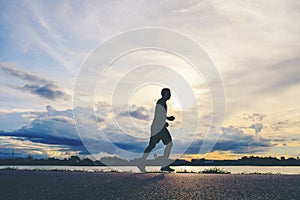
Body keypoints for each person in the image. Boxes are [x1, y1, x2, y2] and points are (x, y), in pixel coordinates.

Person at [138, 88, 175, 172]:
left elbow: (161, 115)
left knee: (152, 146)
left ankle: (141, 163)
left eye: (170, 93)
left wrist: (167, 119)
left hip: (157, 127)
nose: (170, 95)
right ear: (163, 94)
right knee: (169, 144)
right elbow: (159, 115)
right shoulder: (161, 102)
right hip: (158, 128)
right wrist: (165, 122)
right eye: (168, 93)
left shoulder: (162, 102)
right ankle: (164, 165)